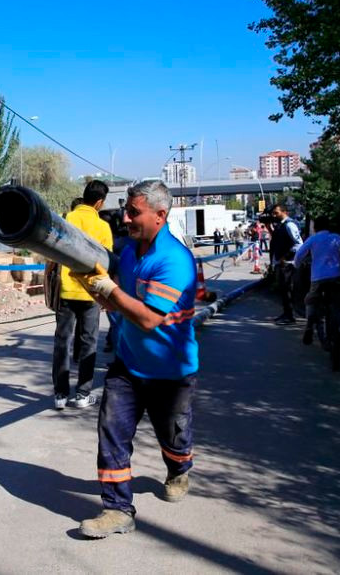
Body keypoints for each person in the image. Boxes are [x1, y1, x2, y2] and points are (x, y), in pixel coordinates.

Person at [72, 180, 199, 538]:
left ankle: (178, 468)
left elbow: (147, 318)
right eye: (126, 210)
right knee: (111, 432)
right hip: (128, 364)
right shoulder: (129, 251)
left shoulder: (174, 260)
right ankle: (116, 509)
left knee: (172, 437)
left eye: (134, 212)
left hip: (170, 372)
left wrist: (109, 289)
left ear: (160, 215)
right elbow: (118, 305)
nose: (125, 217)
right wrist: (93, 286)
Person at [52, 180, 113, 410]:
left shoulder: (67, 219)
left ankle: (60, 395)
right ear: (99, 202)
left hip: (67, 290)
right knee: (89, 343)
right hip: (92, 294)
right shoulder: (103, 227)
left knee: (62, 342)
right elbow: (106, 263)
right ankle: (82, 394)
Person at [294, 217, 340, 346]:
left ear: (315, 228)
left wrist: (296, 265)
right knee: (338, 305)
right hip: (335, 276)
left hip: (318, 278)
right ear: (329, 226)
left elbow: (299, 255)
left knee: (310, 300)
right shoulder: (335, 237)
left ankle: (309, 326)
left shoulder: (313, 239)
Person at [269, 204, 303, 324]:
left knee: (287, 289)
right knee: (283, 290)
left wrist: (286, 257)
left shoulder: (289, 225)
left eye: (276, 213)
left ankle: (289, 316)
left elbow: (299, 244)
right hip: (281, 263)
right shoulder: (280, 225)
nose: (274, 215)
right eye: (273, 213)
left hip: (287, 263)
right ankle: (286, 313)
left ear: (284, 212)